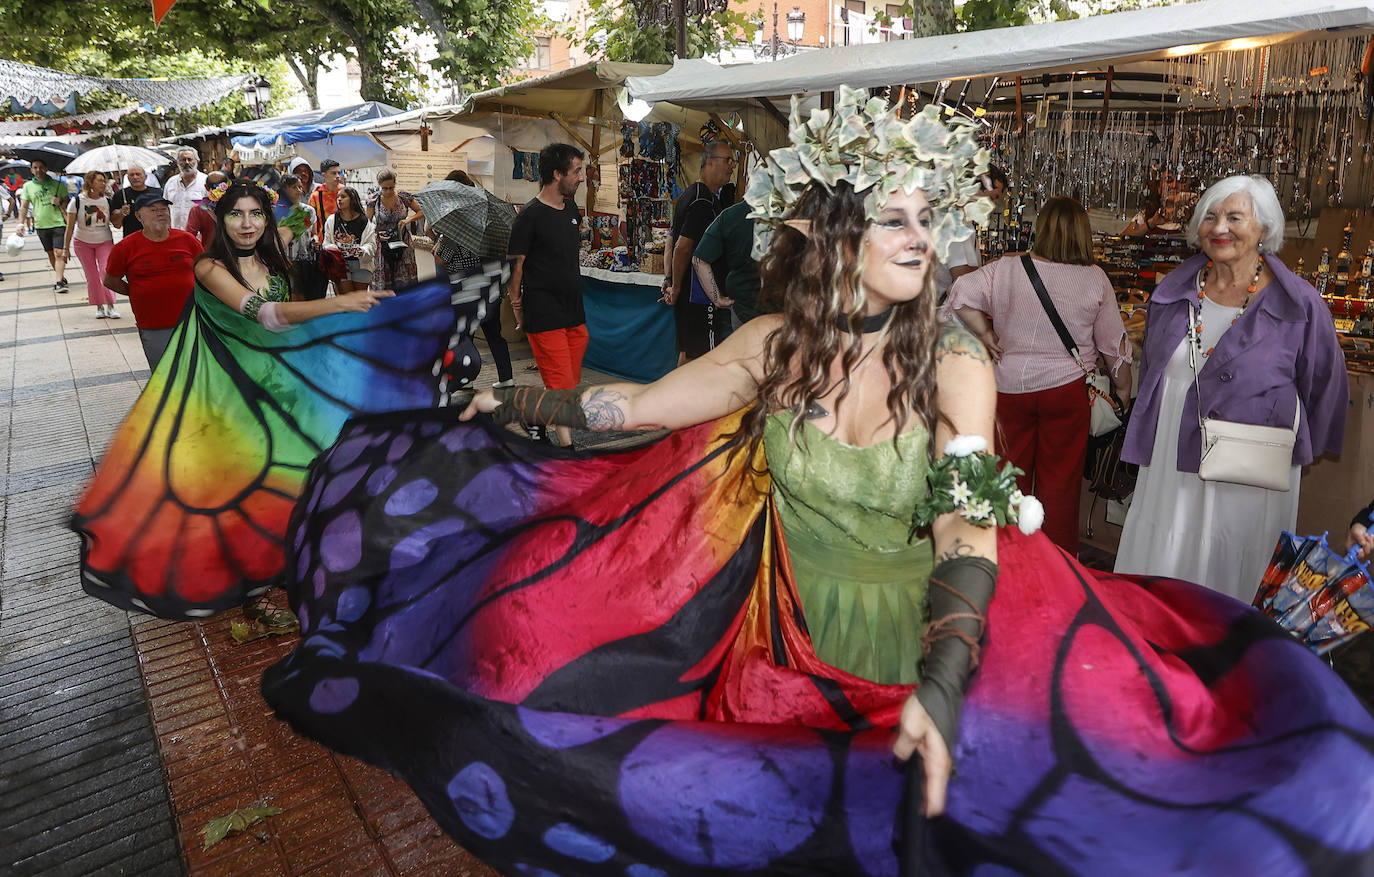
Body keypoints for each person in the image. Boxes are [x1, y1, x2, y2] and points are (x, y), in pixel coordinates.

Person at [260, 88, 1374, 877]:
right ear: (821, 230)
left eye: (927, 216)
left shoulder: (956, 362)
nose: (918, 235)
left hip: (940, 641)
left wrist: (940, 686)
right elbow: (630, 409)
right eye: (891, 214)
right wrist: (508, 403)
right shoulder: (767, 344)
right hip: (780, 639)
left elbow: (965, 525)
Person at [74, 179, 511, 620]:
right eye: (236, 214)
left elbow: (295, 223)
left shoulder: (269, 249)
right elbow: (267, 316)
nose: (247, 224)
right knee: (244, 483)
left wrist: (312, 205)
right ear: (220, 220)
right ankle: (252, 591)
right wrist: (339, 305)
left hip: (282, 381)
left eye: (256, 214)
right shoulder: (209, 268)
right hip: (233, 390)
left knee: (307, 466)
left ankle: (295, 562)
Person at [1115, 174, 1348, 602]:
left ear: (1265, 229)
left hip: (1250, 467)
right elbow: (1153, 374)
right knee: (1169, 557)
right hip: (1173, 459)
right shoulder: (1172, 293)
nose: (1219, 227)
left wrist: (1289, 438)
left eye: (1235, 217)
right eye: (1211, 216)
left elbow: (1325, 385)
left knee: (1232, 562)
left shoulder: (1298, 305)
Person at [950, 197, 1131, 554]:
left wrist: (985, 335)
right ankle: (1055, 568)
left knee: (1006, 479)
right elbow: (1114, 344)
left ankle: (1001, 560)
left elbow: (960, 294)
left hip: (1007, 390)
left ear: (1040, 229)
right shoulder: (1095, 279)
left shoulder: (1006, 268)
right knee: (1060, 489)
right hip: (1066, 393)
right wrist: (1122, 390)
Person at [506, 142, 587, 447]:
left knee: (569, 383)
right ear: (557, 174)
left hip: (574, 311)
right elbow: (516, 265)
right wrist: (517, 306)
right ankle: (568, 449)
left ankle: (534, 414)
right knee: (563, 385)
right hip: (543, 312)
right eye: (576, 171)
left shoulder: (571, 210)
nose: (581, 177)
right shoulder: (529, 216)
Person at [432, 169, 515, 389]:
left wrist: (439, 244)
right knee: (494, 333)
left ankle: (465, 379)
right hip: (489, 285)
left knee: (464, 336)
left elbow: (442, 260)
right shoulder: (487, 219)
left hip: (466, 288)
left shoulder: (458, 223)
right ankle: (506, 377)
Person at [103, 192, 203, 367]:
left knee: (195, 372)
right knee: (163, 374)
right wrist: (136, 291)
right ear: (138, 216)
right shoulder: (125, 248)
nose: (160, 213)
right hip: (153, 324)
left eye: (164, 209)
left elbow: (205, 272)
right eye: (153, 209)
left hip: (192, 321)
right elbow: (110, 280)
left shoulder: (187, 240)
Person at [664, 140, 733, 362]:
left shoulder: (691, 195)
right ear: (710, 162)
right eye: (728, 160)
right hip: (700, 296)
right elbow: (681, 247)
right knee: (704, 359)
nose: (732, 165)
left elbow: (670, 240)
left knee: (688, 353)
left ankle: (677, 397)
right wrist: (675, 287)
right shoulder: (702, 201)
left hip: (691, 294)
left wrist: (670, 279)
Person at [690, 198, 771, 330]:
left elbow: (699, 260)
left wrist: (717, 299)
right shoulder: (796, 215)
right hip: (785, 311)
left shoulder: (731, 215)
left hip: (744, 310)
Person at [935, 165, 1006, 304]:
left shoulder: (953, 217)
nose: (993, 205)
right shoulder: (957, 223)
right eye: (992, 197)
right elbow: (964, 280)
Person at [61, 171, 119, 319]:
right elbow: (70, 226)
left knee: (105, 271)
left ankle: (111, 304)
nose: (103, 183)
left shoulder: (107, 201)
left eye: (104, 180)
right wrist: (65, 249)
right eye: (99, 180)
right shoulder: (78, 201)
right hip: (82, 242)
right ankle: (99, 305)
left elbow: (116, 223)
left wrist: (121, 213)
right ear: (90, 182)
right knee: (92, 276)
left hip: (104, 241)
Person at [16, 158, 70, 291]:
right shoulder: (28, 186)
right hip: (41, 224)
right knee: (51, 253)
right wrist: (20, 224)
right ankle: (60, 276)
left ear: (46, 169)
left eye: (41, 167)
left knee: (58, 252)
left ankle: (58, 282)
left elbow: (67, 203)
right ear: (31, 170)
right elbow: (24, 206)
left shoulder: (58, 185)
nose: (38, 170)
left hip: (58, 222)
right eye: (35, 167)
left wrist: (60, 202)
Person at [367, 168, 420, 291]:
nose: (388, 191)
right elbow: (367, 223)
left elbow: (421, 211)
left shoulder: (403, 197)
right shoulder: (374, 200)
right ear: (379, 185)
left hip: (403, 241)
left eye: (391, 187)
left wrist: (408, 220)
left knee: (405, 278)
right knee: (384, 278)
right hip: (382, 243)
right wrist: (376, 236)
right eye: (385, 188)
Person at [277, 175, 324, 300]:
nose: (299, 190)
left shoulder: (309, 211)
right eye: (294, 187)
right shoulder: (277, 212)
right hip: (286, 260)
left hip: (306, 261)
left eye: (300, 187)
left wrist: (315, 240)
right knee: (292, 296)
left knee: (306, 295)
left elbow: (314, 233)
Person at [322, 186, 374, 293]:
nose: (339, 199)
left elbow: (371, 245)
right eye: (338, 197)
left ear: (352, 199)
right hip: (340, 265)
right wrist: (334, 249)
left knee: (360, 301)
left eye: (343, 197)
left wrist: (362, 250)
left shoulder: (364, 221)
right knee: (347, 299)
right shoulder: (332, 220)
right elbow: (326, 243)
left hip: (361, 264)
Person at [163, 146, 208, 231]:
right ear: (177, 162)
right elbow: (165, 208)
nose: (187, 163)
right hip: (175, 233)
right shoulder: (171, 182)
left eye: (190, 159)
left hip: (198, 235)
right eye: (183, 160)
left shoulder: (206, 181)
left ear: (197, 161)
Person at [109, 164, 161, 236]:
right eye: (132, 175)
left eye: (138, 174)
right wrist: (122, 213)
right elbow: (116, 224)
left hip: (155, 235)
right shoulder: (120, 195)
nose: (135, 177)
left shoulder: (158, 193)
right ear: (128, 178)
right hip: (131, 236)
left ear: (145, 177)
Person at [185, 171, 227, 246]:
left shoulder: (198, 209)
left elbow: (189, 237)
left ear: (206, 187)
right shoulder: (237, 206)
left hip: (208, 254)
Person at [310, 158, 342, 244]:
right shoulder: (316, 195)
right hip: (323, 243)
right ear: (324, 175)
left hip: (345, 241)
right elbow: (311, 222)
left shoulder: (346, 192)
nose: (338, 176)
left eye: (339, 172)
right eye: (333, 173)